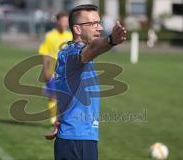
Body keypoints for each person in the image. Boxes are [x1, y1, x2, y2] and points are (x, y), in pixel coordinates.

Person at [45, 4, 126, 160]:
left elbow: (66, 91)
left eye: (99, 22)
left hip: (78, 138)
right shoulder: (73, 54)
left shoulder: (72, 55)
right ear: (77, 29)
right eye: (93, 24)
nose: (100, 28)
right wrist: (111, 40)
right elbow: (94, 48)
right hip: (77, 141)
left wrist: (60, 119)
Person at [38, 11, 72, 124]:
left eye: (66, 21)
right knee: (52, 96)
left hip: (66, 72)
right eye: (62, 21)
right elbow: (45, 53)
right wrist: (46, 70)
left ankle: (63, 118)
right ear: (57, 21)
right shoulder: (50, 36)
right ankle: (53, 120)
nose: (64, 23)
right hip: (52, 71)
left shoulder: (70, 36)